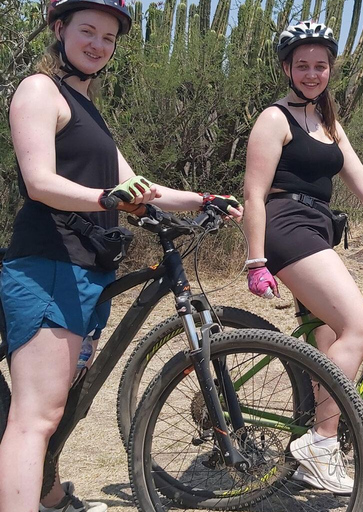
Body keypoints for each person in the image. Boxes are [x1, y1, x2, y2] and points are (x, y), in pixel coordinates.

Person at [0, 1, 242, 511]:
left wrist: (202, 199)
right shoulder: (39, 90)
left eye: (108, 38)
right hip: (48, 265)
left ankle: (47, 497)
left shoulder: (87, 108)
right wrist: (104, 198)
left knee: (56, 409)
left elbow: (138, 187)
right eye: (87, 31)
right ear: (59, 28)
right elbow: (40, 183)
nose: (98, 45)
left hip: (88, 269)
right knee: (35, 417)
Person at [242, 20, 363, 495]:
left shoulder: (329, 123)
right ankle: (321, 443)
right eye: (303, 65)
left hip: (318, 229)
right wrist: (255, 262)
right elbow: (253, 194)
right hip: (287, 226)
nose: (312, 74)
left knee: (335, 347)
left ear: (330, 70)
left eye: (321, 65)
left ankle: (314, 430)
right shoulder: (274, 119)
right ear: (287, 68)